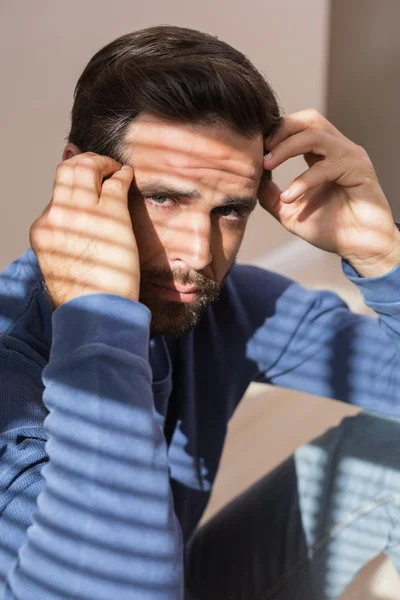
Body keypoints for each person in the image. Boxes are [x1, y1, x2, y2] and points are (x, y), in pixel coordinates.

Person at [0, 24, 399, 600]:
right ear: (78, 177)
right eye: (163, 198)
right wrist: (100, 320)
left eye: (230, 210)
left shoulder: (225, 306)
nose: (200, 252)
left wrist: (384, 257)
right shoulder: (12, 357)